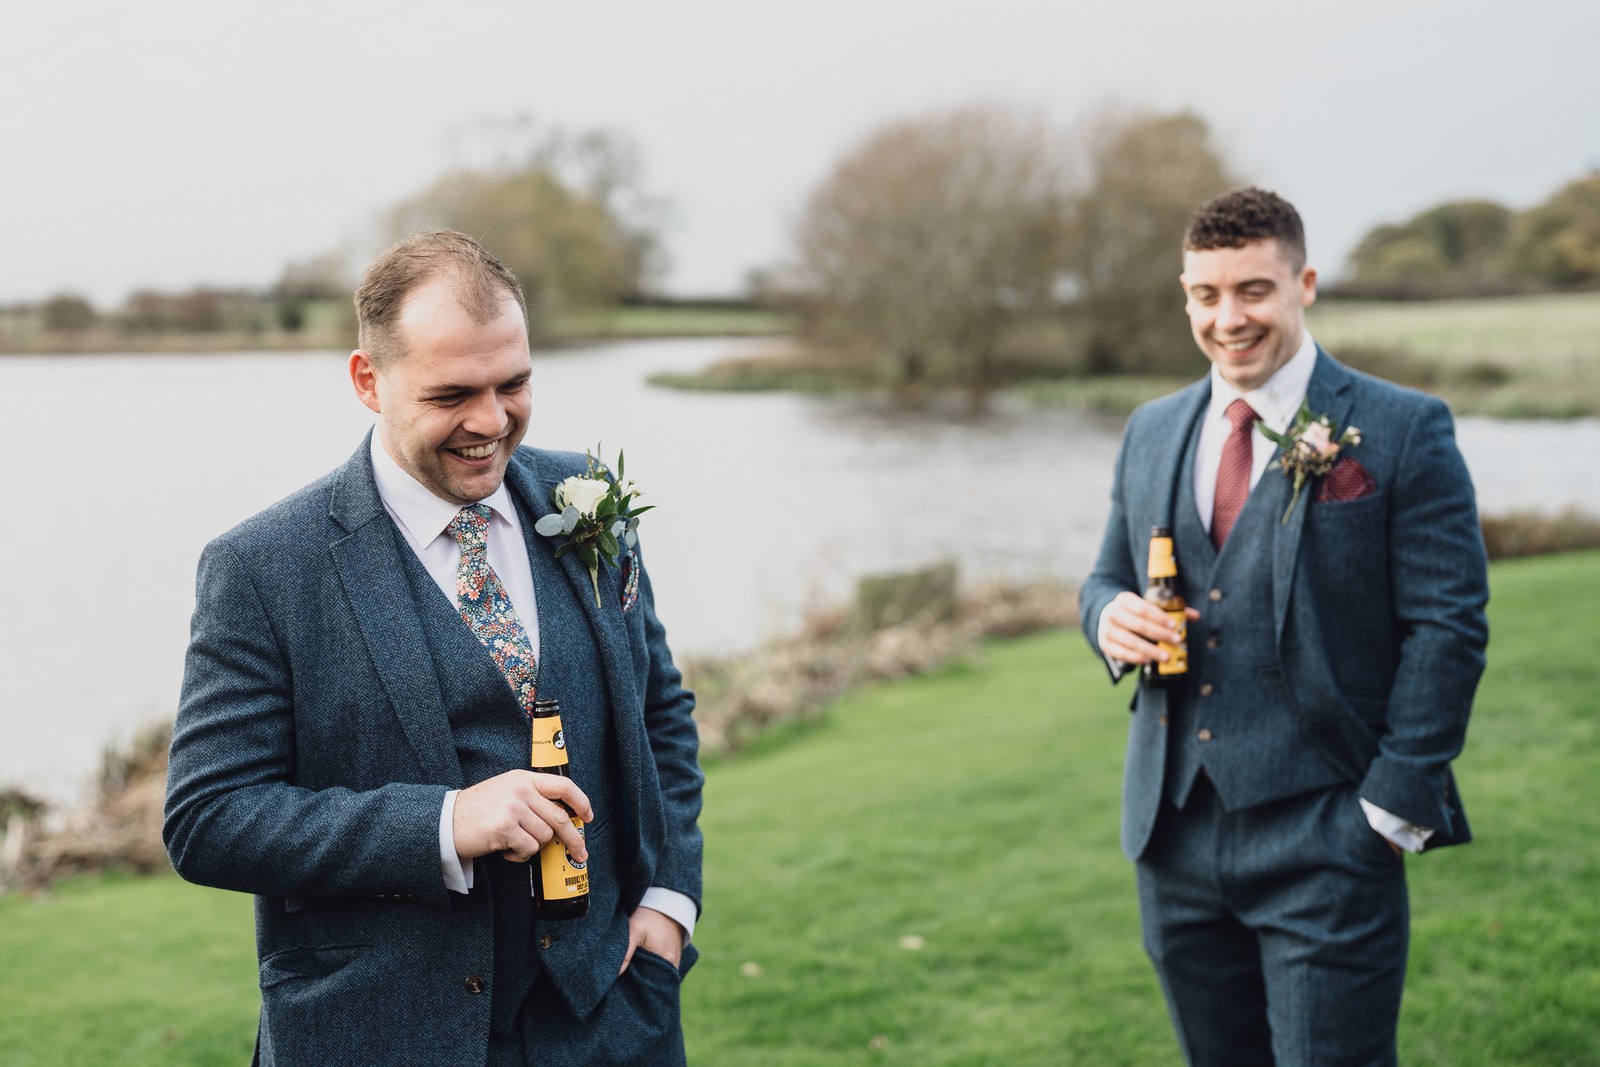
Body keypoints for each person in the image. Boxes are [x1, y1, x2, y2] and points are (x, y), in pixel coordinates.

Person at [164, 230, 703, 1066]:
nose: (491, 422)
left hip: (612, 1017)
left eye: (513, 384)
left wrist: (669, 904)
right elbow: (208, 818)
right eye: (453, 393)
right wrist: (445, 822)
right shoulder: (263, 568)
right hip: (379, 1033)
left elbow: (659, 713)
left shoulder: (587, 498)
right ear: (368, 380)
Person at [1079, 188, 1488, 1066]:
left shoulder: (1404, 428)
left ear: (1304, 282)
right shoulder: (1150, 429)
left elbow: (1448, 627)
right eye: (1205, 294)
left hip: (1330, 835)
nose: (1229, 318)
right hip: (1174, 837)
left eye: (1253, 290)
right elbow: (1104, 578)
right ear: (1185, 294)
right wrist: (1108, 617)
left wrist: (1387, 810)